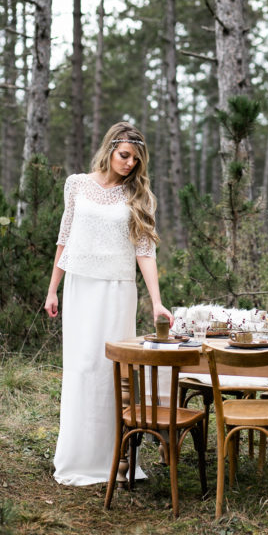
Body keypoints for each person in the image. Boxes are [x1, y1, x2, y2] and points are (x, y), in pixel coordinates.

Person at [45, 121, 173, 486]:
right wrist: (53, 288)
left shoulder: (139, 196)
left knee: (113, 372)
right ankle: (77, 457)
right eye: (124, 155)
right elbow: (65, 238)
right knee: (82, 366)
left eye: (136, 158)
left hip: (118, 289)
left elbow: (144, 251)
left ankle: (116, 459)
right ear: (109, 149)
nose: (130, 163)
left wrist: (157, 303)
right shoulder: (77, 185)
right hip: (81, 286)